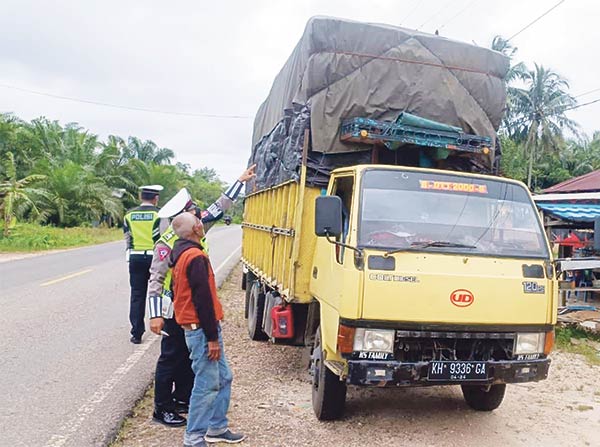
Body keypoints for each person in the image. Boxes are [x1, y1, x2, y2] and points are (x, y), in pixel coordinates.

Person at [147, 167, 255, 427]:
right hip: (173, 307)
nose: (200, 214)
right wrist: (155, 315)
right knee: (170, 357)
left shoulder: (193, 229)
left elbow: (218, 207)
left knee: (186, 356)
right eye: (194, 210)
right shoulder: (167, 242)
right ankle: (161, 408)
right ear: (184, 215)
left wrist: (238, 182)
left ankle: (182, 398)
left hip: (189, 305)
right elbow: (155, 281)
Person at [171, 212, 244, 446]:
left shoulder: (183, 253)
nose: (202, 225)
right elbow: (202, 300)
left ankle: (217, 427)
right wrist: (212, 338)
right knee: (206, 384)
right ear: (195, 230)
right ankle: (193, 437)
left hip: (200, 327)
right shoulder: (195, 258)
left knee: (224, 377)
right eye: (199, 222)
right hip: (202, 330)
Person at [123, 184, 164, 344]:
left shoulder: (129, 215)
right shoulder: (160, 214)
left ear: (141, 197)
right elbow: (162, 236)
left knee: (137, 295)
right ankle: (161, 325)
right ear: (156, 198)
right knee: (158, 291)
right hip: (155, 258)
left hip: (135, 258)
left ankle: (136, 333)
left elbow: (127, 237)